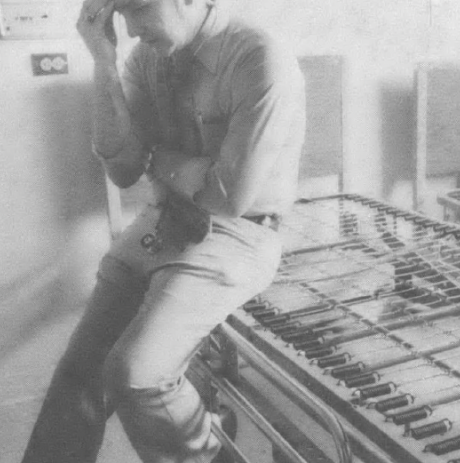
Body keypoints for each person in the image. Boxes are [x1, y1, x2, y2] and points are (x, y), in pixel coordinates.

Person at [21, 0, 306, 461]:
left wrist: (157, 159)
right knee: (78, 376)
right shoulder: (145, 58)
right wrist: (104, 63)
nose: (130, 29)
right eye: (121, 13)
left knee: (137, 374)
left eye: (138, 8)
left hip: (237, 235)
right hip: (161, 222)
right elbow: (122, 169)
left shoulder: (258, 56)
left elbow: (227, 195)